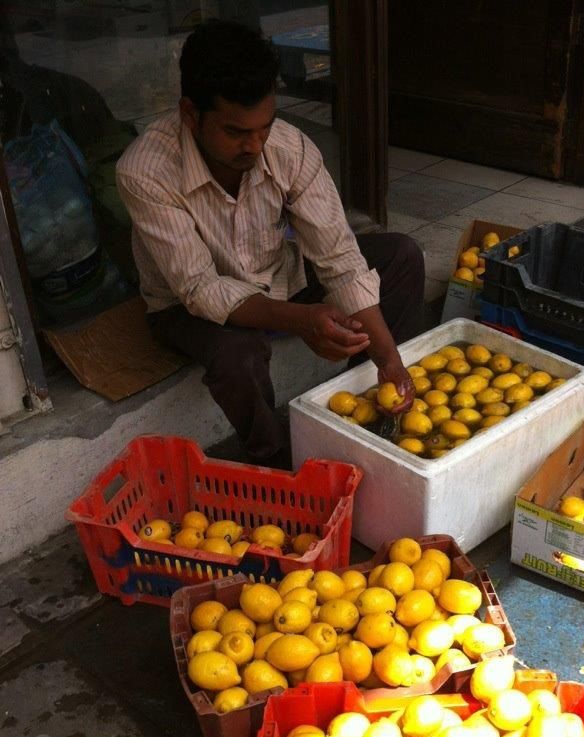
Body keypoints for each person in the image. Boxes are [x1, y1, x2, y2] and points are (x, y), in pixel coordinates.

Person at [116, 19, 424, 467]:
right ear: (190, 114)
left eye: (265, 127)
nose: (255, 145)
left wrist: (388, 358)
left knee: (401, 256)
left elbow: (338, 256)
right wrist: (302, 320)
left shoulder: (288, 148)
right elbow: (200, 289)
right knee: (237, 355)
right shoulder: (145, 172)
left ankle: (367, 408)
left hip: (280, 276)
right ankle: (274, 458)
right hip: (188, 307)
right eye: (237, 132)